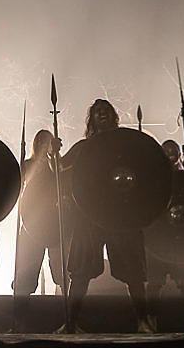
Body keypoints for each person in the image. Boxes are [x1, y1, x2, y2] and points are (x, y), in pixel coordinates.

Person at [57, 99, 152, 333]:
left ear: (113, 116)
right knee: (80, 272)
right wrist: (53, 154)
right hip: (90, 215)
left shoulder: (125, 145)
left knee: (133, 272)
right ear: (92, 119)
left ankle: (143, 322)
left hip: (121, 214)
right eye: (98, 112)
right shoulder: (83, 148)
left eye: (106, 111)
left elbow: (145, 168)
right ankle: (70, 323)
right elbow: (60, 170)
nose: (103, 115)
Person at [12, 129, 68, 331]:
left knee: (62, 272)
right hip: (31, 223)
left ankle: (68, 319)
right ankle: (18, 321)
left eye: (48, 141)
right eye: (41, 141)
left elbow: (64, 179)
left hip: (55, 223)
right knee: (25, 273)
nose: (45, 144)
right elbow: (17, 184)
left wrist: (54, 157)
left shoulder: (58, 164)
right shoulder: (28, 165)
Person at [146, 139, 184, 332]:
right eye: (166, 150)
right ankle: (150, 324)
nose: (170, 152)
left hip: (180, 238)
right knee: (153, 283)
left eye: (173, 150)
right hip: (158, 238)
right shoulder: (153, 181)